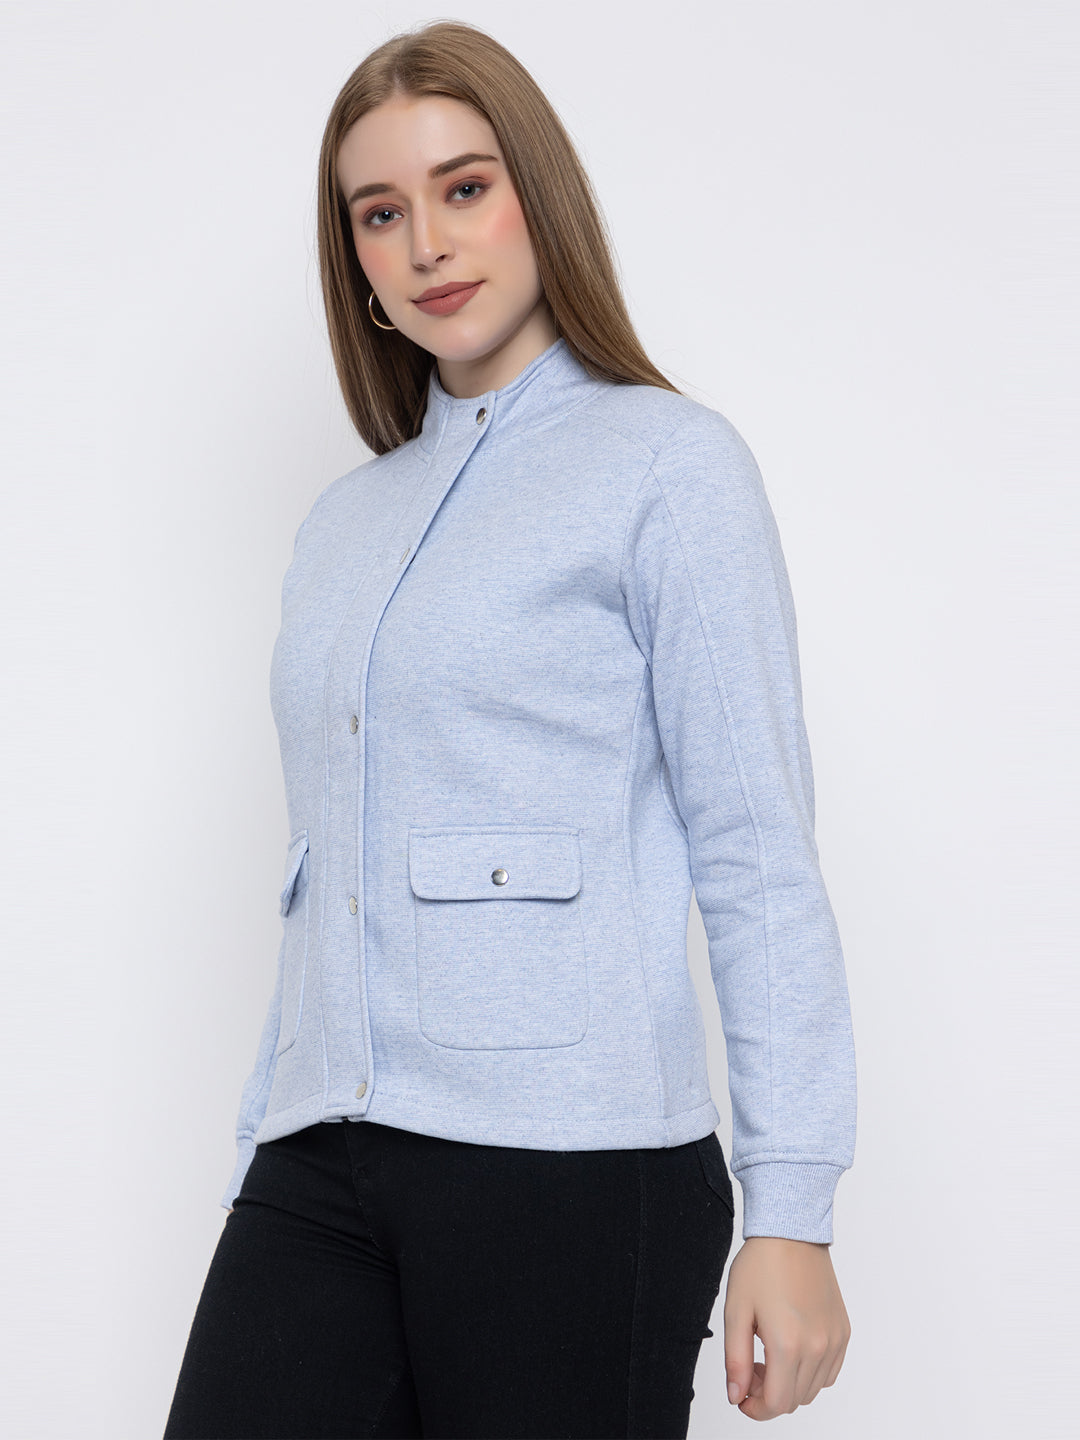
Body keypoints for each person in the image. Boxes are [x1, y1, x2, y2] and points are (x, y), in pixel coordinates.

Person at [164, 19, 856, 1439]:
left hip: (573, 1165)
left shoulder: (669, 466)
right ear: (354, 261)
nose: (427, 242)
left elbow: (756, 849)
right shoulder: (341, 526)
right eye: (380, 212)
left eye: (464, 188)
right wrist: (259, 1149)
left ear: (538, 193)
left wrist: (791, 1209)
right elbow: (326, 870)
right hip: (322, 1155)